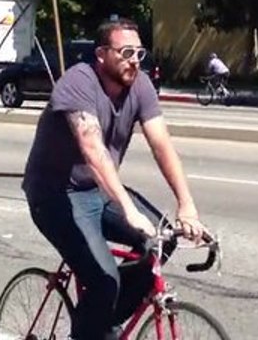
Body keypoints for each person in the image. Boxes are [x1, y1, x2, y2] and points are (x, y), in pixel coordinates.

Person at [22, 18, 208, 340]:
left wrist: (186, 204)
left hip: (98, 191)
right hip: (54, 195)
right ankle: (92, 325)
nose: (135, 60)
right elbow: (93, 150)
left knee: (163, 240)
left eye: (139, 53)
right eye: (125, 52)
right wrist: (128, 209)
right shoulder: (78, 82)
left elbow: (161, 144)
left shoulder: (140, 85)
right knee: (105, 279)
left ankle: (97, 322)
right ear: (101, 55)